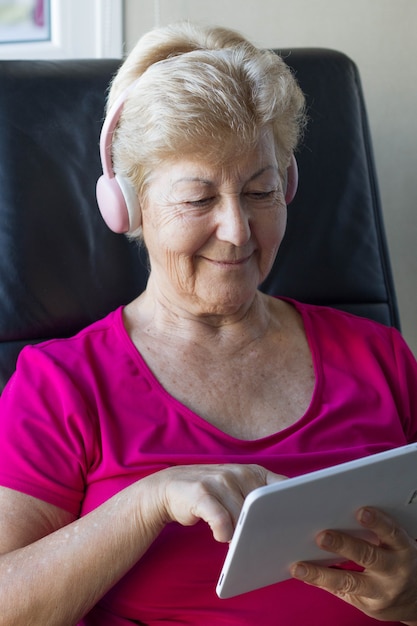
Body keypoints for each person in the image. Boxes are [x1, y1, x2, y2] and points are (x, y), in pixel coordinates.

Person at [0, 21, 417, 626]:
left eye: (261, 191)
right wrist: (145, 504)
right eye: (198, 199)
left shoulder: (379, 356)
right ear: (129, 204)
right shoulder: (61, 385)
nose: (238, 230)